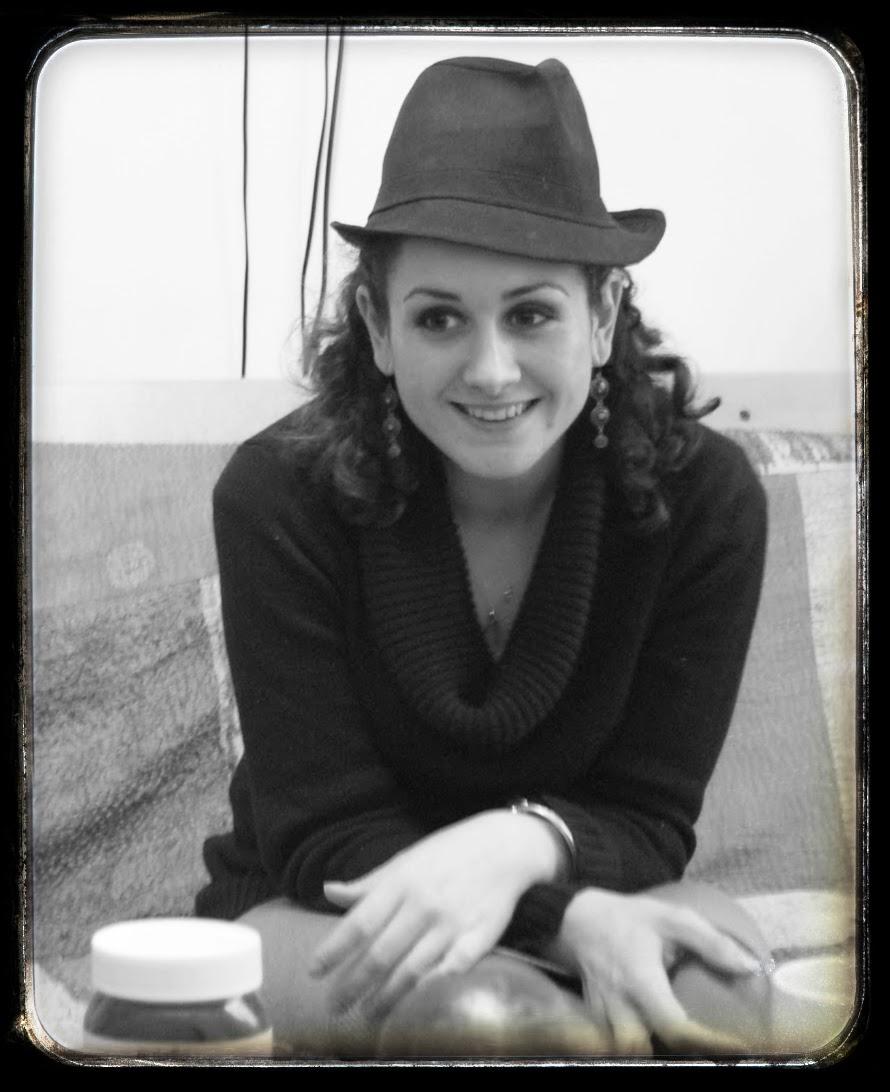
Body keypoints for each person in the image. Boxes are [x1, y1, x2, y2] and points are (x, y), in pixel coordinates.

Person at [195, 55, 771, 1057]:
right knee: (493, 1023)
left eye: (531, 313)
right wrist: (564, 922)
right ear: (378, 328)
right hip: (331, 902)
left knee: (721, 1001)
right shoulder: (275, 497)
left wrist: (524, 845)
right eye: (439, 318)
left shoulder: (706, 502)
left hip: (597, 878)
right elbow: (325, 832)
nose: (491, 369)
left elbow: (648, 817)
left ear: (601, 316)